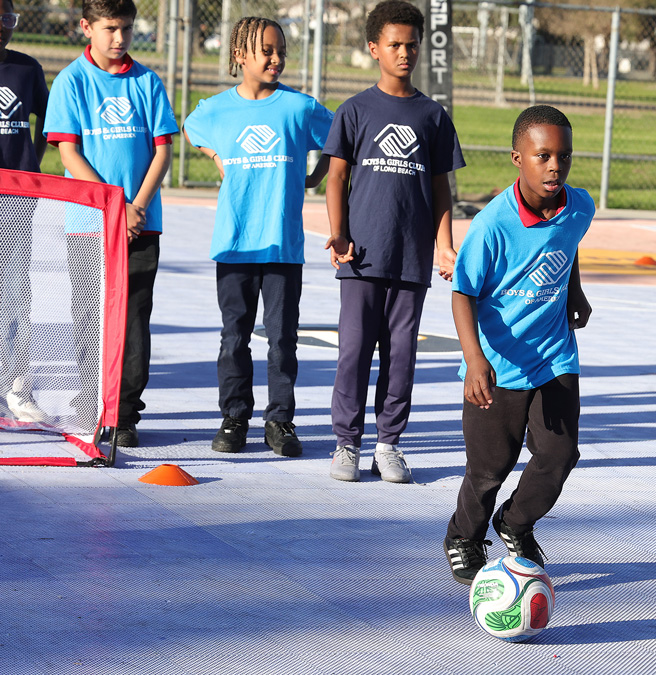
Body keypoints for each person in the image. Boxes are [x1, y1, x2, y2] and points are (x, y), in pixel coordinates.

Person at [443, 105, 594, 585]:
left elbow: (566, 248)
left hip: (553, 354)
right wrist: (474, 360)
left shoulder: (580, 207)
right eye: (543, 155)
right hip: (500, 364)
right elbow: (462, 293)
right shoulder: (492, 226)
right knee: (490, 469)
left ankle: (515, 523)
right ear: (517, 158)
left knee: (560, 453)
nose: (555, 166)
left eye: (563, 156)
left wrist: (575, 293)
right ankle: (463, 536)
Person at [323, 0, 464, 483]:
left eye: (412, 45)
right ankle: (346, 444)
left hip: (410, 258)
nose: (405, 53)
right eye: (395, 45)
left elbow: (441, 187)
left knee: (401, 353)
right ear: (374, 49)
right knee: (354, 350)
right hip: (360, 257)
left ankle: (388, 444)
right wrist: (339, 232)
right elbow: (336, 178)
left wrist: (444, 244)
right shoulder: (355, 110)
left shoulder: (433, 116)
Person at [183, 16, 332, 457]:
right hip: (234, 243)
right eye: (266, 50)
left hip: (282, 246)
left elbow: (339, 139)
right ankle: (234, 418)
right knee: (235, 337)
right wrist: (216, 155)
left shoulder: (299, 107)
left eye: (280, 51)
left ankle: (280, 421)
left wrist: (315, 175)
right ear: (239, 56)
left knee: (284, 339)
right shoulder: (216, 109)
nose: (276, 58)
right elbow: (193, 128)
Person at [44, 0, 178, 446]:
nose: (120, 38)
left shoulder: (146, 82)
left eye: (126, 28)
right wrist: (113, 206)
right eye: (110, 29)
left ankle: (123, 413)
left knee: (135, 315)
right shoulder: (71, 82)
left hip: (141, 224)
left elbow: (162, 150)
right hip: (89, 221)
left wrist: (136, 206)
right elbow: (69, 153)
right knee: (90, 314)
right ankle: (91, 403)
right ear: (87, 27)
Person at [0, 0, 49, 423]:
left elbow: (46, 120)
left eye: (7, 19)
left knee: (16, 290)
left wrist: (34, 164)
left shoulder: (26, 68)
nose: (2, 26)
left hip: (17, 195)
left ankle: (17, 386)